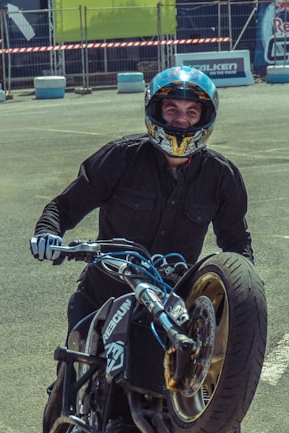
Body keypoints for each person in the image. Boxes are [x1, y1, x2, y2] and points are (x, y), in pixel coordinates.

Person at [29, 66, 254, 337]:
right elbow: (63, 207)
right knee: (77, 370)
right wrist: (47, 233)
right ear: (155, 111)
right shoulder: (120, 157)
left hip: (169, 310)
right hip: (102, 298)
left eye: (191, 112)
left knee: (177, 378)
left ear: (204, 117)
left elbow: (237, 242)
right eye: (172, 109)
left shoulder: (222, 175)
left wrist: (244, 286)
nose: (181, 119)